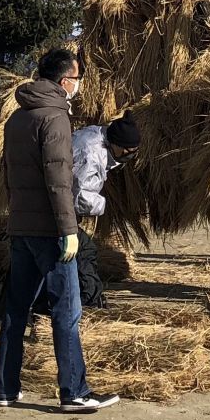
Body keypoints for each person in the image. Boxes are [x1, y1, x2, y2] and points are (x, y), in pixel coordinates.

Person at [0, 48, 119, 413]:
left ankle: (6, 388)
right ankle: (74, 391)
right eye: (78, 79)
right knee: (67, 310)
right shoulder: (56, 118)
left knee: (17, 309)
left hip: (21, 226)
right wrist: (69, 230)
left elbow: (8, 174)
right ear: (65, 81)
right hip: (50, 231)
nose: (79, 85)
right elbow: (59, 180)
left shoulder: (17, 118)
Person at [70, 114, 142, 308]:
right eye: (128, 150)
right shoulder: (90, 154)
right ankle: (91, 301)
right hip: (58, 210)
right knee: (85, 251)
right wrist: (101, 206)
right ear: (115, 144)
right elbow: (81, 196)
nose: (130, 155)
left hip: (58, 207)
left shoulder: (99, 140)